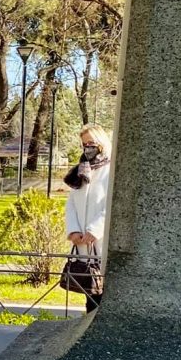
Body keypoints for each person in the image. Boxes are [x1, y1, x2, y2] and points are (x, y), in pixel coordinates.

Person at [63, 124, 112, 312]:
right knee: (90, 292)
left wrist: (95, 230)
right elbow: (71, 204)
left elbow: (112, 204)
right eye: (84, 144)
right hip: (83, 243)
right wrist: (73, 230)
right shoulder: (81, 170)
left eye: (91, 142)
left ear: (101, 142)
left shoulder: (111, 170)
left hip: (102, 241)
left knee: (104, 293)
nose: (88, 147)